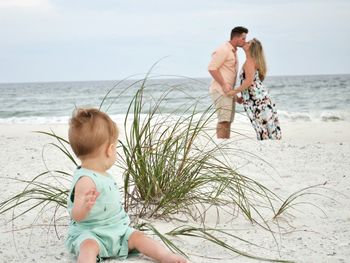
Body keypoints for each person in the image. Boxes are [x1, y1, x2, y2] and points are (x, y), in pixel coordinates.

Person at [65, 108, 187, 263]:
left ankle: (165, 256)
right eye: (115, 147)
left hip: (118, 231)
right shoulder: (86, 180)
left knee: (139, 237)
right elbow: (75, 215)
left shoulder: (104, 175)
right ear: (109, 150)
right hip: (92, 233)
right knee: (88, 247)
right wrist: (84, 208)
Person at [227, 38, 282, 140]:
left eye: (248, 43)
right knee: (264, 127)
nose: (245, 42)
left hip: (256, 100)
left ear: (251, 48)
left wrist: (233, 92)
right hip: (257, 98)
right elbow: (248, 82)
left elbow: (248, 82)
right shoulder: (250, 61)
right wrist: (240, 97)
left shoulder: (249, 62)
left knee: (262, 128)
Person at [208, 26, 248, 139]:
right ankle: (221, 146)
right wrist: (223, 85)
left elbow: (228, 75)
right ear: (236, 37)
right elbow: (212, 68)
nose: (245, 41)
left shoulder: (233, 51)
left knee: (228, 121)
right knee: (223, 121)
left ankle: (225, 145)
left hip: (228, 92)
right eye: (243, 39)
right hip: (220, 91)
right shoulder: (224, 49)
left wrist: (235, 96)